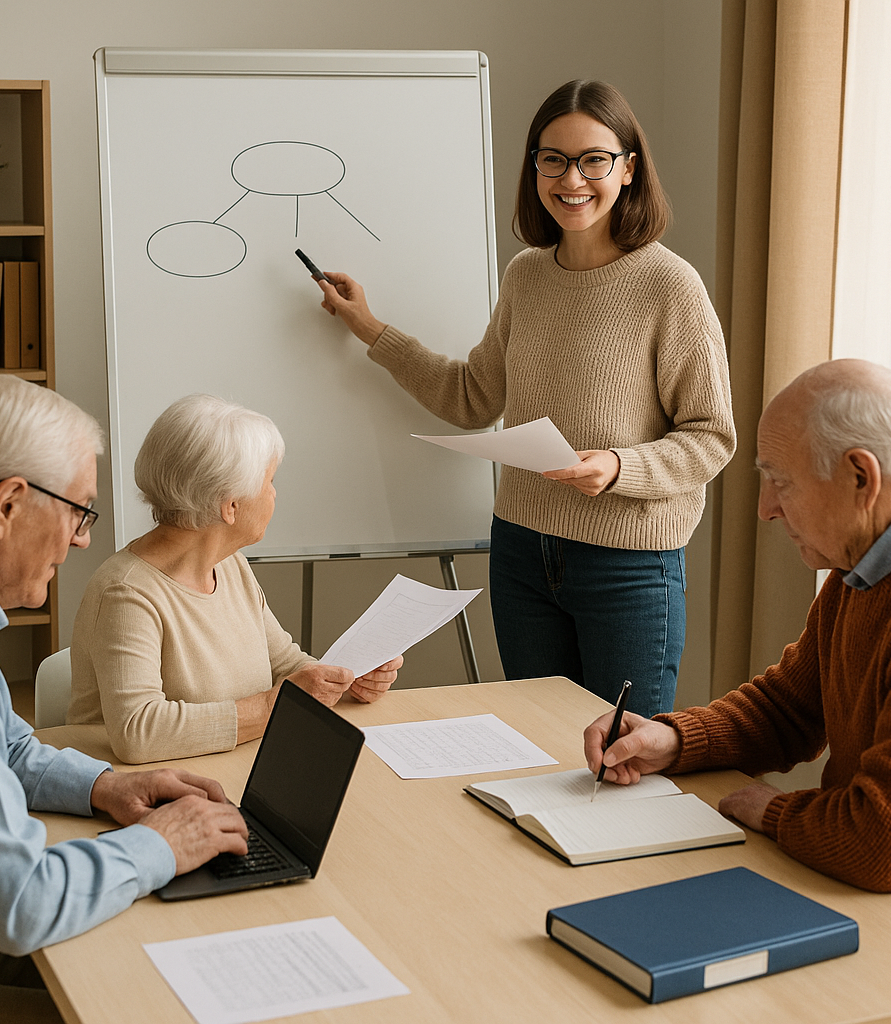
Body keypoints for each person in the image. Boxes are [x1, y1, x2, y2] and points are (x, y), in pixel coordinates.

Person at [315, 80, 736, 717]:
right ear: (534, 168)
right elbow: (471, 396)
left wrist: (619, 467)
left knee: (621, 761)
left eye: (594, 159)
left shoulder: (668, 284)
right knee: (539, 749)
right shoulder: (528, 275)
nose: (573, 178)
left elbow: (711, 435)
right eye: (553, 159)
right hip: (520, 553)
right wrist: (370, 328)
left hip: (627, 565)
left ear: (628, 169)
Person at [0, 376, 249, 1024]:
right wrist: (162, 843)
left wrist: (105, 786)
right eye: (79, 510)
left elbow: (4, 744)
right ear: (9, 503)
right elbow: (15, 903)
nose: (82, 540)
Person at [584, 359, 891, 895]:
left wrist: (773, 809)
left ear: (861, 477)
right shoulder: (864, 563)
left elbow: (888, 845)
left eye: (780, 481)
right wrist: (674, 740)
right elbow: (789, 710)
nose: (765, 509)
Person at [68, 393, 401, 763]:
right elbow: (138, 732)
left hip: (233, 770)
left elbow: (285, 663)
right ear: (230, 505)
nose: (275, 493)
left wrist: (344, 678)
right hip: (139, 792)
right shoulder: (126, 592)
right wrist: (275, 705)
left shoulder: (230, 565)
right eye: (270, 481)